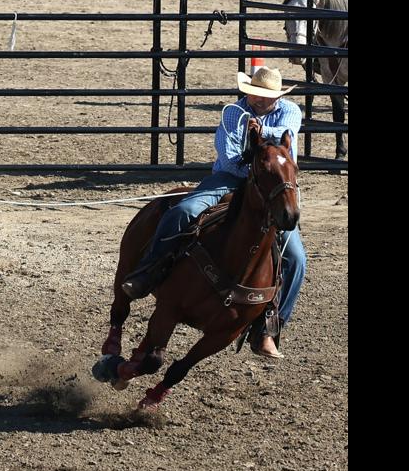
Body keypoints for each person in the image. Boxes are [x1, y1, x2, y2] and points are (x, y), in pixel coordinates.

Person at [121, 65, 308, 358]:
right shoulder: (233, 113)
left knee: (296, 257)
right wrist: (252, 159)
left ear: (277, 97)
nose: (259, 100)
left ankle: (269, 328)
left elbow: (288, 133)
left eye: (265, 96)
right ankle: (148, 270)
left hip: (272, 189)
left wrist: (260, 131)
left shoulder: (290, 111)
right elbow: (230, 157)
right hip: (231, 178)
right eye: (255, 94)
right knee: (183, 210)